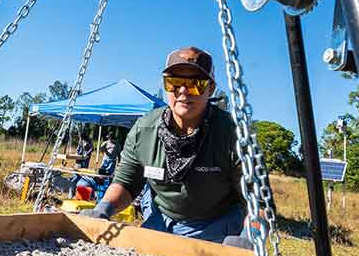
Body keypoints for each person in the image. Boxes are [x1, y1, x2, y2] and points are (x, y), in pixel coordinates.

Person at [82, 47, 245, 243]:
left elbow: (257, 201)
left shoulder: (232, 135)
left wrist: (249, 237)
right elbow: (127, 183)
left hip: (215, 224)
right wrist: (103, 209)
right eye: (174, 82)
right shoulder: (144, 130)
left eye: (195, 84)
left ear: (210, 88)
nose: (183, 90)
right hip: (160, 218)